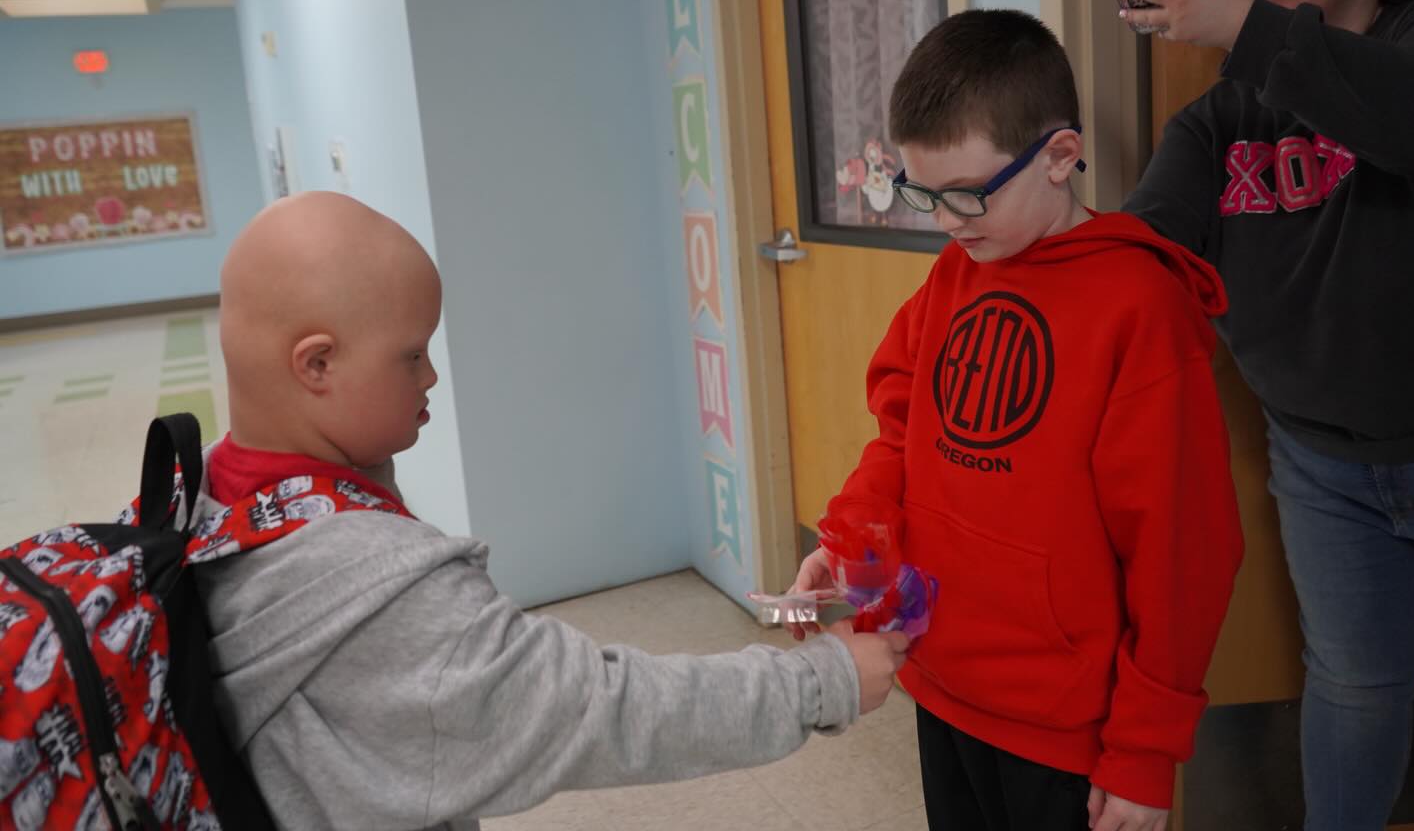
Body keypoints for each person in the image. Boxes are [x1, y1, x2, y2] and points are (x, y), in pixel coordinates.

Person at [181, 191, 908, 830]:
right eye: (411, 356)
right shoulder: (376, 593)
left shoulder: (200, 495)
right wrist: (820, 682)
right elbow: (600, 708)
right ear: (316, 365)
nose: (431, 376)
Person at [785, 8, 1244, 831]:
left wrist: (1145, 750)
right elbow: (902, 437)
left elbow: (1182, 551)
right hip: (941, 683)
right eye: (924, 194)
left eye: (967, 196)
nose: (946, 222)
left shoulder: (1139, 307)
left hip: (1064, 729)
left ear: (1060, 156)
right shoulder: (956, 273)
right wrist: (850, 543)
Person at [1115, 0, 1414, 827]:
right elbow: (1143, 261)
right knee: (1355, 687)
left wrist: (1239, 22)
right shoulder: (1224, 117)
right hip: (1322, 467)